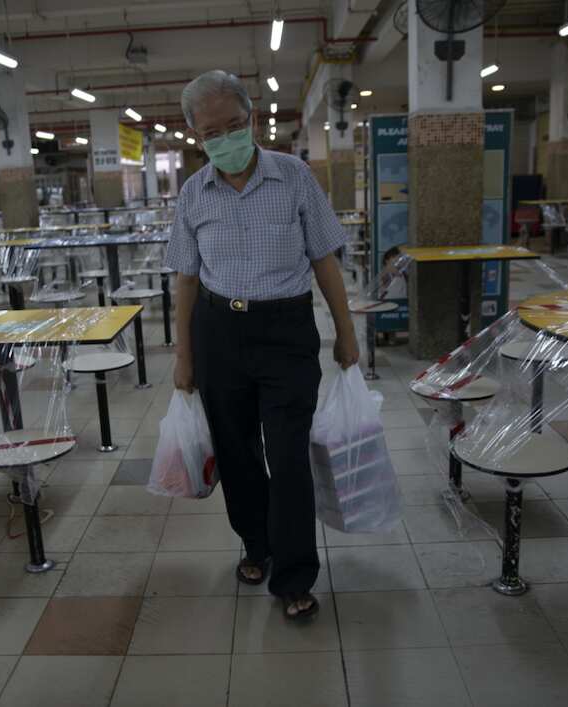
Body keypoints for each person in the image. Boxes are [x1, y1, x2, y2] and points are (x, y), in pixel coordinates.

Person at [165, 70, 359, 621]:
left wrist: (345, 333)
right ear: (196, 137)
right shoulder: (192, 193)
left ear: (251, 119)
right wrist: (185, 356)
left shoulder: (294, 177)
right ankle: (256, 544)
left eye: (234, 125)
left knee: (289, 455)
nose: (225, 138)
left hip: (287, 334)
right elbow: (184, 278)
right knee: (238, 453)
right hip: (219, 332)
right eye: (211, 132)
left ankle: (295, 574)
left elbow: (325, 258)